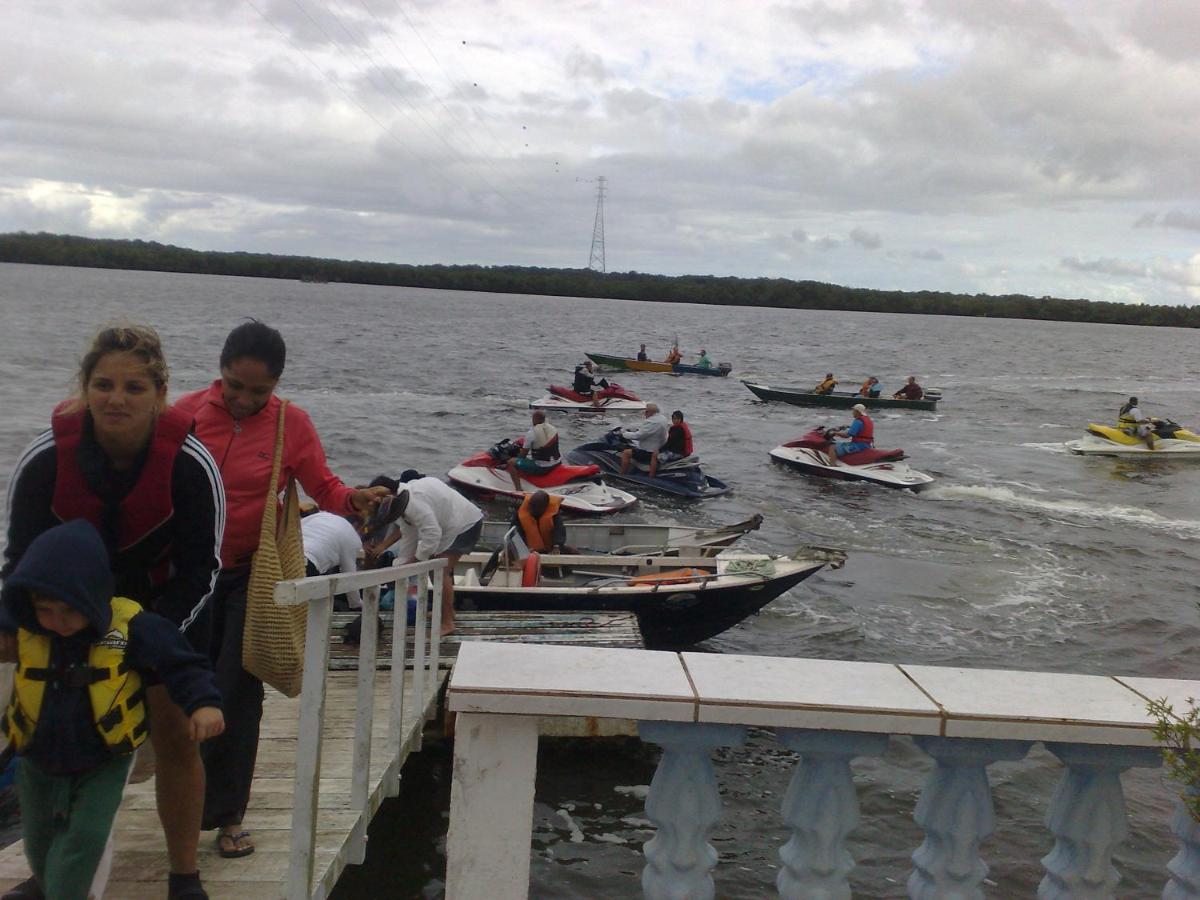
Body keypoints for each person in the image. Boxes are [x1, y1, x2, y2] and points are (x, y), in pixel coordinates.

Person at [1, 324, 224, 900]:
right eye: (102, 385)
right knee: (48, 741)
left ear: (159, 393)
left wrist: (144, 636)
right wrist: (21, 628)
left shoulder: (191, 464)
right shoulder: (46, 459)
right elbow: (19, 561)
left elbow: (205, 570)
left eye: (132, 387)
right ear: (84, 388)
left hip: (161, 610)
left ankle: (183, 872)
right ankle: (47, 870)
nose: (115, 398)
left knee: (175, 736)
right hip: (66, 612)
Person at [173, 321, 388, 861]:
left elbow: (325, 486)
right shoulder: (184, 415)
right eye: (233, 387)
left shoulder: (291, 424)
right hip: (186, 575)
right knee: (177, 690)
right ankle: (179, 804)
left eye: (258, 392)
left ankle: (227, 816)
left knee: (236, 692)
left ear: (277, 386)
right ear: (218, 374)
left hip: (251, 572)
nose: (243, 400)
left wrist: (355, 499)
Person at [1, 521, 225, 900]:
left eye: (70, 610)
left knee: (84, 840)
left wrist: (203, 704)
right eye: (46, 610)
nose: (58, 622)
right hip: (37, 759)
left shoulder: (135, 627)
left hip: (102, 759)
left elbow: (183, 664)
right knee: (39, 844)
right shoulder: (25, 623)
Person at [364, 476, 484, 636]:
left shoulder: (414, 502)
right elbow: (409, 536)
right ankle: (448, 612)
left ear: (388, 494)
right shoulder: (402, 500)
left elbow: (432, 534)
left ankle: (447, 622)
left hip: (465, 524)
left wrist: (417, 561)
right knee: (435, 567)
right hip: (448, 525)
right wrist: (401, 566)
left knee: (439, 570)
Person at [300, 508, 365, 609]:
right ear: (357, 526)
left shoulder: (321, 515)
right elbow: (349, 575)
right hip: (309, 563)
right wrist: (356, 604)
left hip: (289, 555)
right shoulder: (352, 537)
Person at [505, 410, 560, 490]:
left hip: (542, 467)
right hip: (556, 462)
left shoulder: (532, 433)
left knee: (511, 462)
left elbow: (522, 456)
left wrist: (517, 455)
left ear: (534, 419)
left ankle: (518, 489)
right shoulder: (552, 428)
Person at [618, 403, 670, 475]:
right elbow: (647, 431)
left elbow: (638, 436)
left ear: (652, 412)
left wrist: (624, 434)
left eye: (646, 411)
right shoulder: (662, 418)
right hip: (659, 447)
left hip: (649, 451)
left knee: (626, 453)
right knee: (634, 445)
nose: (645, 413)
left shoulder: (652, 422)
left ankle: (622, 474)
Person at [654, 410, 694, 477]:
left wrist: (659, 450)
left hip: (678, 453)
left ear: (681, 419)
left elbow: (669, 443)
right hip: (683, 452)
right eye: (674, 419)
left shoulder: (677, 430)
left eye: (677, 419)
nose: (675, 420)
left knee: (656, 456)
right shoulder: (682, 427)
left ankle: (654, 474)